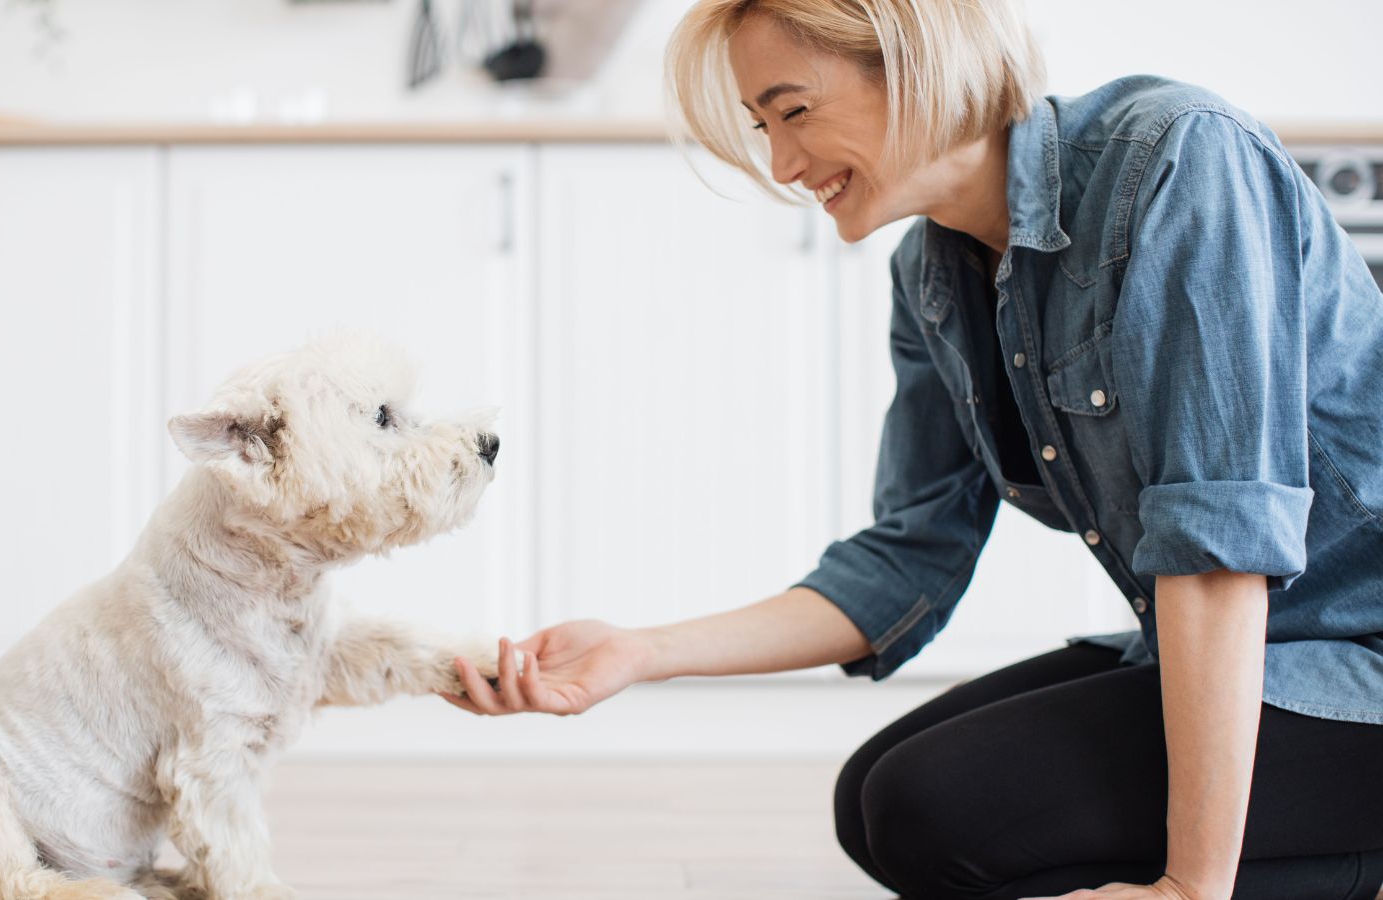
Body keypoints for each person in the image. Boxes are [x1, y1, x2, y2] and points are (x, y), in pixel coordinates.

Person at [440, 1, 1383, 898]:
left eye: (793, 113)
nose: (781, 163)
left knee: (936, 808)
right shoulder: (932, 272)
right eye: (762, 128)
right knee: (874, 800)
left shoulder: (1176, 159)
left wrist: (1189, 886)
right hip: (1272, 654)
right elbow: (907, 560)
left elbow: (1216, 547)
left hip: (1356, 655)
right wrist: (639, 653)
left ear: (918, 62)